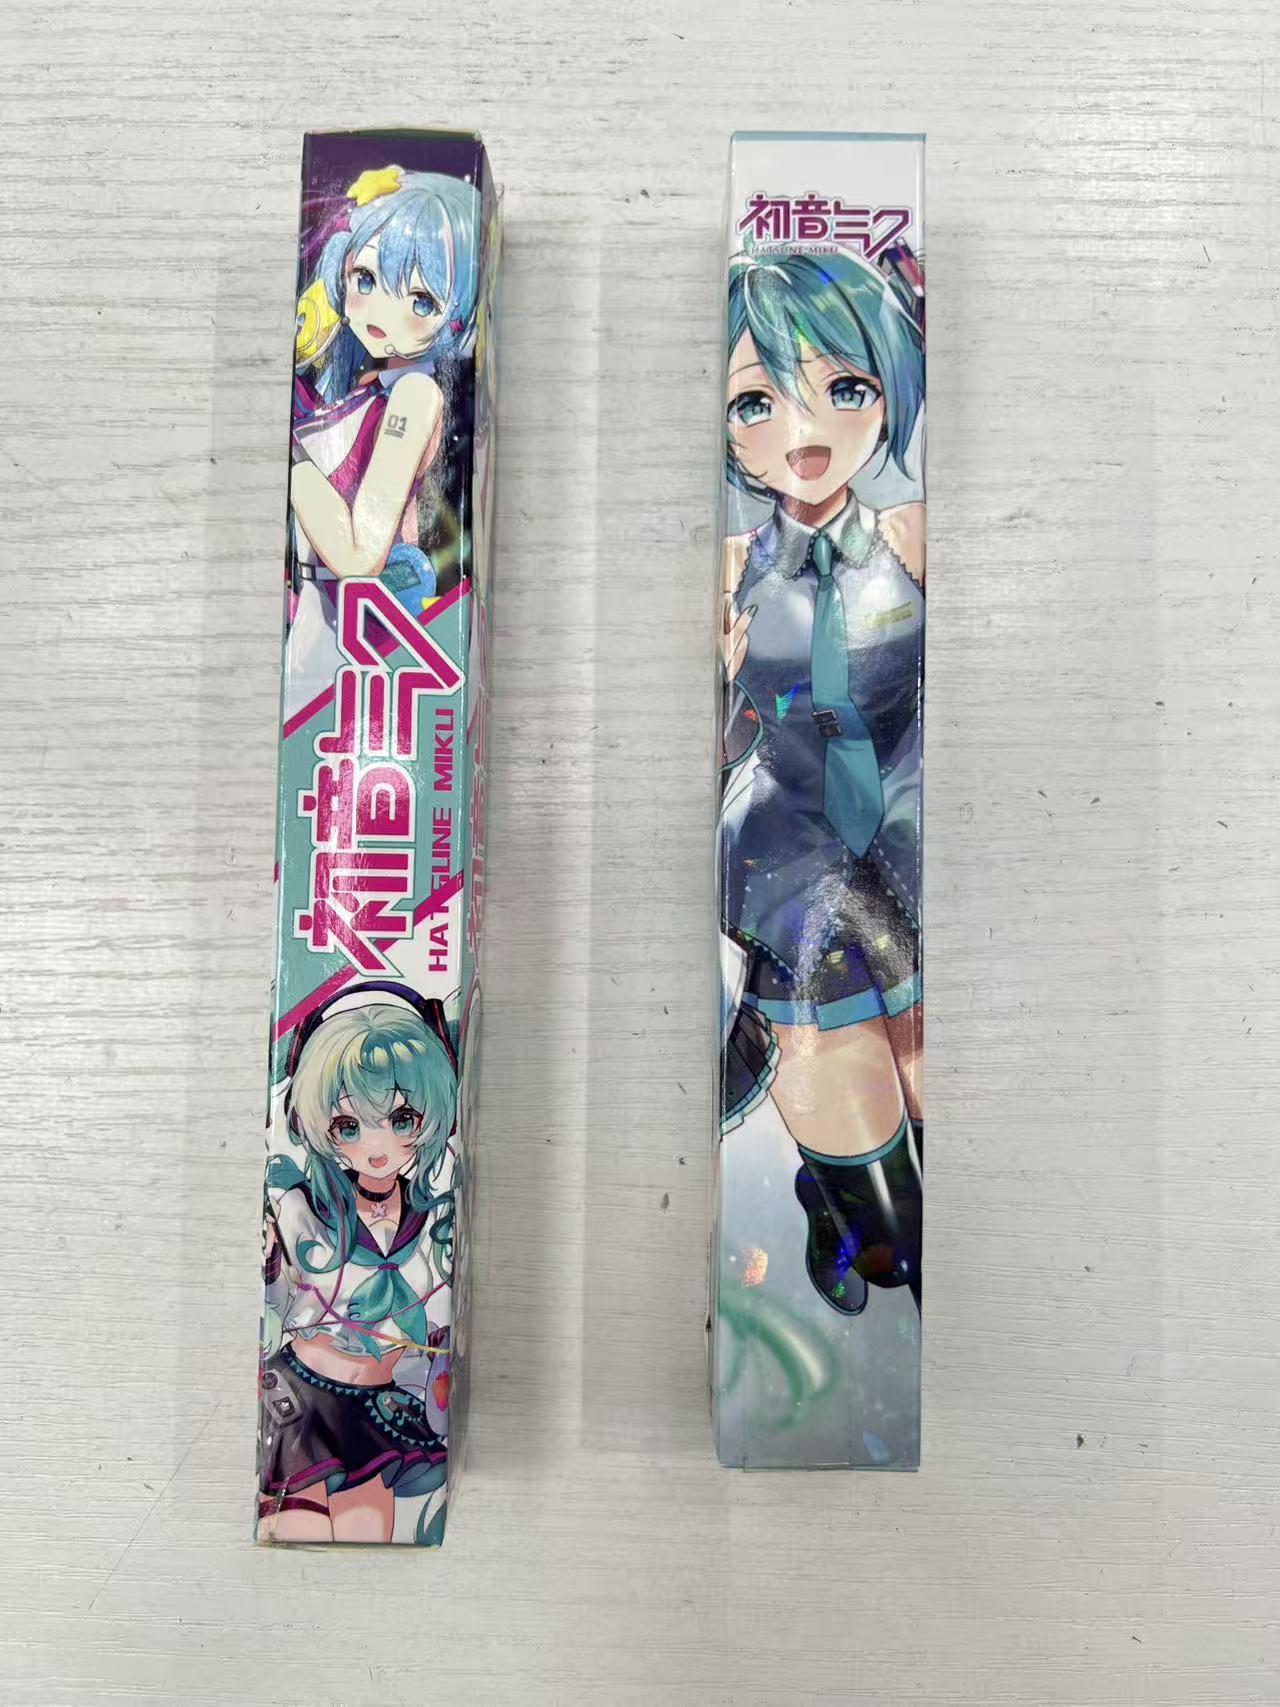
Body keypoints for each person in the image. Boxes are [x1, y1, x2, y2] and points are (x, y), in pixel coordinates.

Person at [718, 249, 926, 1318]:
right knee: (896, 1242)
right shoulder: (729, 570)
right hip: (792, 867)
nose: (803, 427)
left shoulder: (912, 540)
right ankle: (840, 1210)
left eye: (843, 385)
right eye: (757, 401)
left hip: (910, 849)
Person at [257, 988, 457, 1543]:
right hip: (301, 1399)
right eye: (349, 1126)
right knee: (295, 1532)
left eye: (402, 1119)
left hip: (379, 1407)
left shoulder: (438, 1221)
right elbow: (275, 1294)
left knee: (370, 1535)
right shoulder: (299, 1209)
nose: (376, 1145)